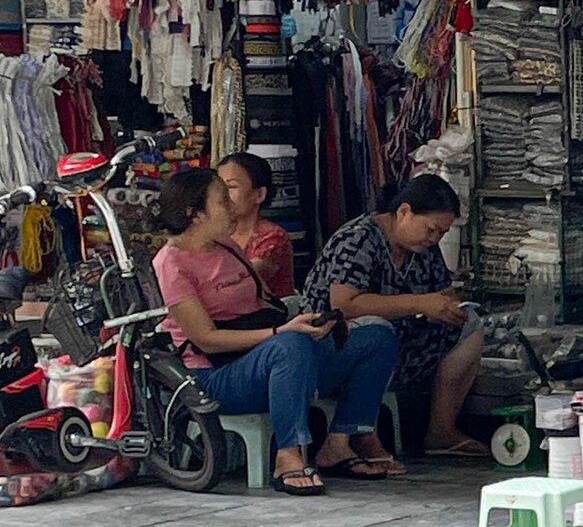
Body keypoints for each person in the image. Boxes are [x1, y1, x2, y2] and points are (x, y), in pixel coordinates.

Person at [152, 167, 403, 496]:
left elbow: (264, 306)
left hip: (269, 357)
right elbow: (206, 340)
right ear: (195, 213)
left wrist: (310, 321)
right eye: (221, 200)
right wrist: (281, 332)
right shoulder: (171, 263)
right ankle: (288, 454)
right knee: (290, 346)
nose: (231, 206)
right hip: (214, 375)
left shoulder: (226, 246)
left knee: (377, 337)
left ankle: (341, 440)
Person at [302, 174, 486, 459]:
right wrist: (418, 303)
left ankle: (441, 431)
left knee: (471, 325)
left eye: (441, 233)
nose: (434, 238)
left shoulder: (424, 250)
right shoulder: (358, 239)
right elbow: (345, 305)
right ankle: (355, 434)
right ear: (404, 212)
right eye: (431, 229)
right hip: (336, 345)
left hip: (402, 342)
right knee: (377, 330)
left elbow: (443, 291)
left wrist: (448, 307)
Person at [218, 151, 295, 298]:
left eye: (231, 187)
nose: (222, 196)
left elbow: (241, 284)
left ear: (259, 194)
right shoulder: (218, 235)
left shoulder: (273, 237)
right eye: (218, 189)